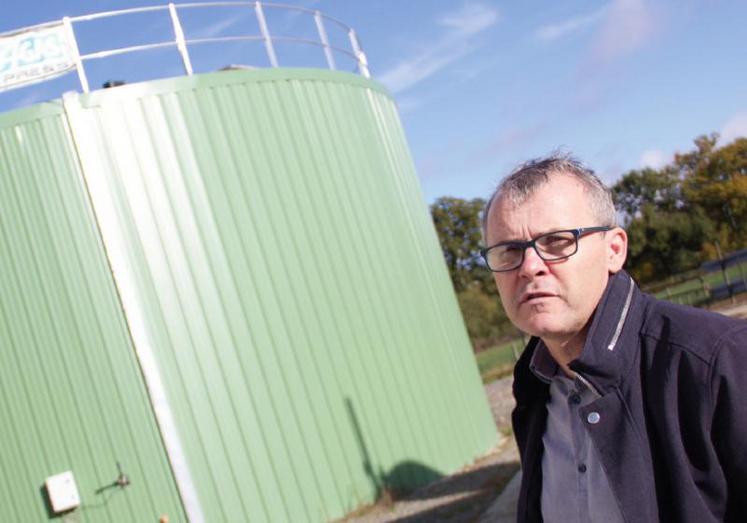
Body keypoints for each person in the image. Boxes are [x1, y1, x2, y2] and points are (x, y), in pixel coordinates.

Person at [480, 154, 747, 522]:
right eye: (509, 251)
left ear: (614, 250)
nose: (529, 267)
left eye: (557, 241)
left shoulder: (719, 362)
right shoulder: (533, 387)